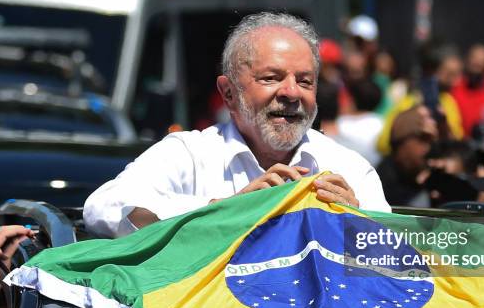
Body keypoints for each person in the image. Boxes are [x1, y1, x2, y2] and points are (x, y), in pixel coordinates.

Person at [84, 12, 391, 238]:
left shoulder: (349, 169)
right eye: (271, 78)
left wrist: (360, 225)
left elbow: (395, 267)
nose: (291, 92)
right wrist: (224, 211)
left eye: (305, 81)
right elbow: (104, 208)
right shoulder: (189, 154)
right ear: (228, 93)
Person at [376, 105, 438, 207]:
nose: (428, 148)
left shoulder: (434, 171)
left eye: (431, 142)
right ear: (402, 142)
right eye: (423, 139)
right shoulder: (380, 180)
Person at [451, 43, 484, 136]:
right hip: (460, 141)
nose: (477, 64)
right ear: (467, 61)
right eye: (473, 60)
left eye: (482, 63)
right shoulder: (454, 84)